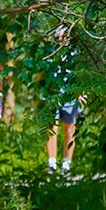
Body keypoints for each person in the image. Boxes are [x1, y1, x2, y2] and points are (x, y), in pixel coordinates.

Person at [45, 24, 87, 172]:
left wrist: (82, 92)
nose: (60, 38)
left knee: (69, 128)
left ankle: (66, 163)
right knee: (50, 128)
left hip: (70, 95)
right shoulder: (49, 52)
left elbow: (82, 73)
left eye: (62, 35)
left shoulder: (75, 53)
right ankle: (51, 163)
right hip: (52, 94)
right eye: (57, 35)